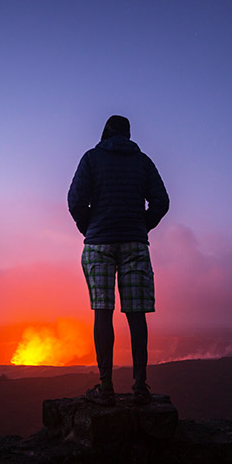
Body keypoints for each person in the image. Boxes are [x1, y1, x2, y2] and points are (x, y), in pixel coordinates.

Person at [67, 115, 169, 406]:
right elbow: (161, 201)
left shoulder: (91, 158)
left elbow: (75, 201)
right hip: (134, 243)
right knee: (136, 314)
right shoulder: (143, 162)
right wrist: (142, 226)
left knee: (102, 311)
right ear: (128, 134)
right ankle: (140, 386)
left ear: (105, 133)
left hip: (99, 244)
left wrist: (90, 228)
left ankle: (106, 387)